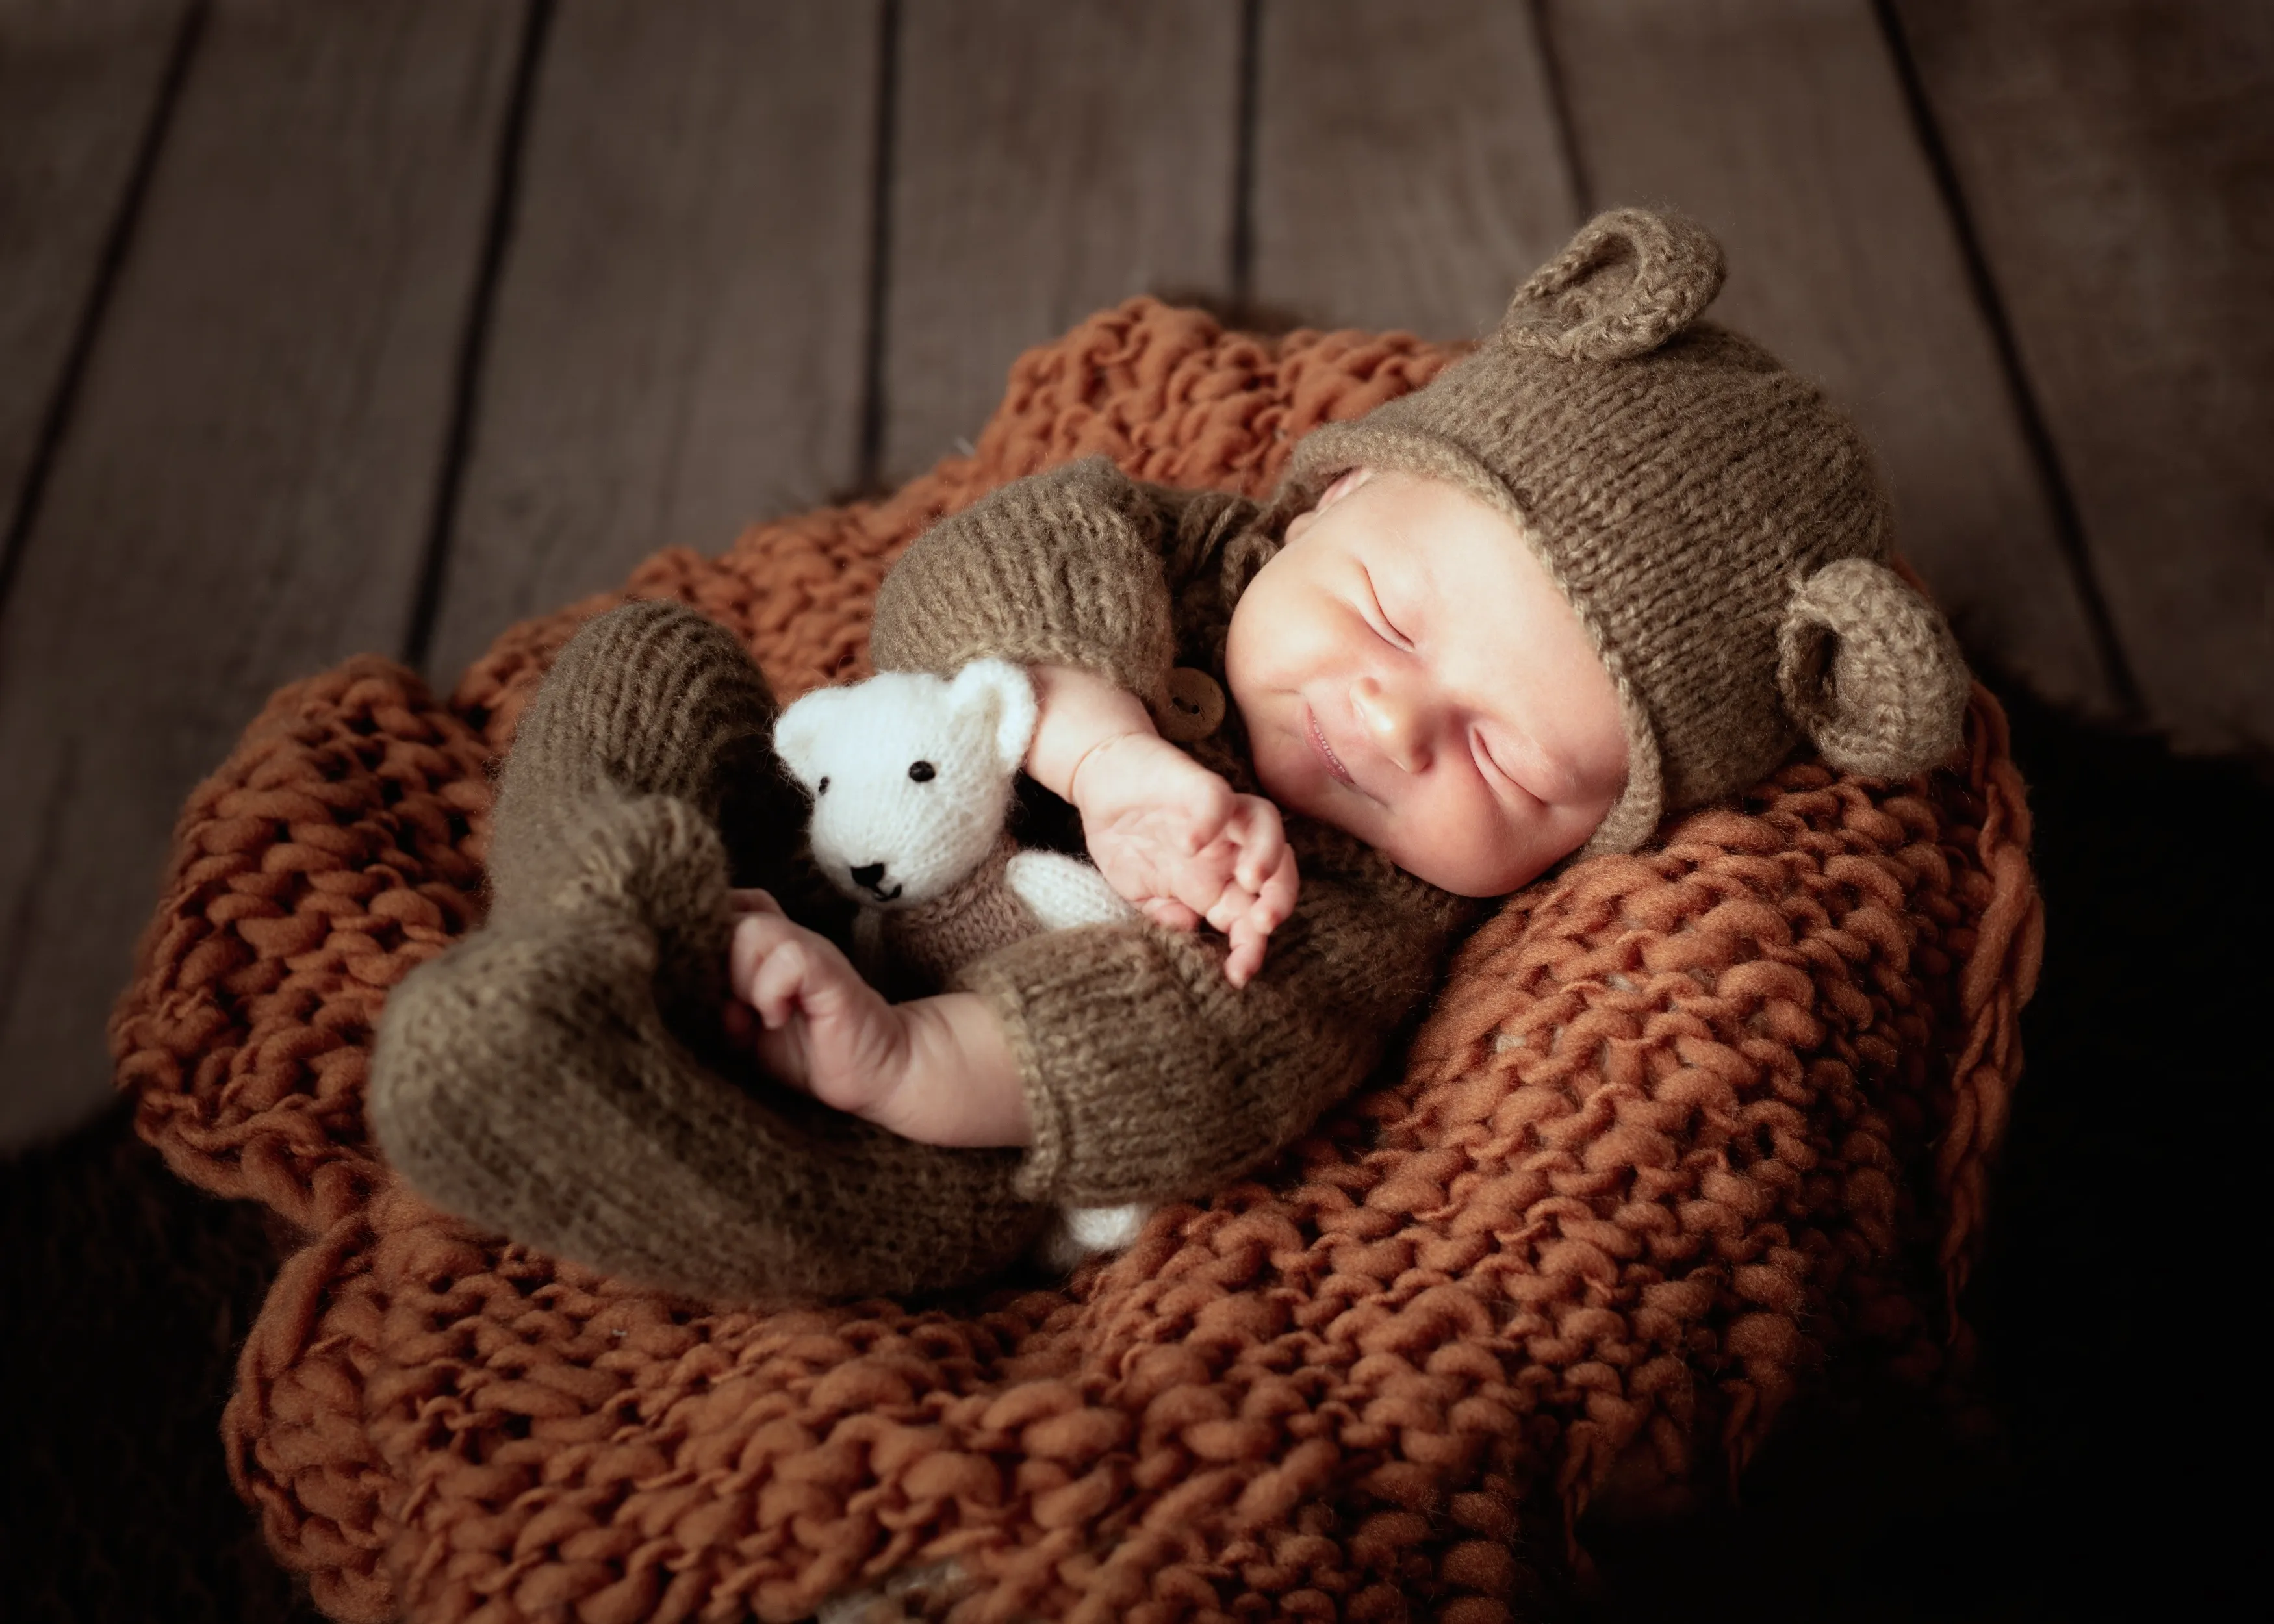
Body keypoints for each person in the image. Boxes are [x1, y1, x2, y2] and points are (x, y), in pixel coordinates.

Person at [368, 209, 1972, 1301]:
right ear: (1337, 497)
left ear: (1590, 837)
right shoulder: (1191, 556)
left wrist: (889, 1057)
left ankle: (614, 1117)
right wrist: (1108, 748)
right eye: (1391, 623)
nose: (1389, 722)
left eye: (1506, 758)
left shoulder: (1349, 910)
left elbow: (1202, 1065)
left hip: (916, 1104)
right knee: (648, 661)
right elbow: (971, 565)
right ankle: (584, 925)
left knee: (906, 1206)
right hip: (772, 843)